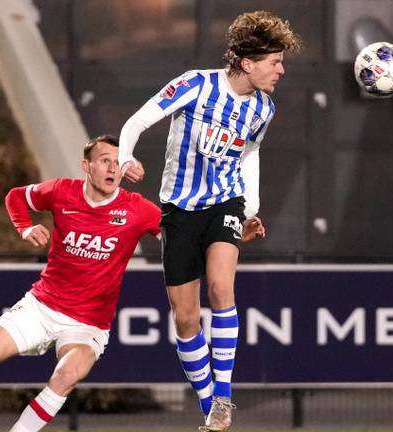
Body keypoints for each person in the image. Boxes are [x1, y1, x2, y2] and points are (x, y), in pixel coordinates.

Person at [117, 10, 301, 432]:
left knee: (221, 287)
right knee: (185, 319)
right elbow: (139, 120)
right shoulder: (196, 84)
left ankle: (224, 396)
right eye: (274, 61)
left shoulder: (263, 109)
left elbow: (250, 153)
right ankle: (211, 409)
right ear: (247, 62)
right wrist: (126, 156)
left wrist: (249, 207)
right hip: (179, 209)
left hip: (225, 203)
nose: (280, 70)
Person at [0, 134, 161, 432]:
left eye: (118, 163)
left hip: (87, 323)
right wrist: (24, 228)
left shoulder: (137, 209)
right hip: (41, 307)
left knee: (65, 376)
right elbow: (15, 197)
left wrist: (226, 230)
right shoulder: (62, 191)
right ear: (86, 166)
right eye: (105, 161)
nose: (112, 169)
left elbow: (178, 230)